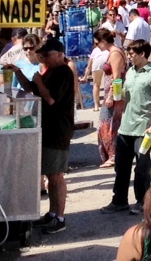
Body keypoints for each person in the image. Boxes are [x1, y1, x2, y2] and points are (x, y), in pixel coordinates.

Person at [15, 37, 76, 234]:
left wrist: (39, 80)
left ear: (59, 54)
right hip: (48, 129)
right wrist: (19, 73)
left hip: (58, 130)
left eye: (47, 55)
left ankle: (59, 217)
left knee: (56, 175)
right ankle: (52, 213)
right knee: (51, 173)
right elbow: (33, 90)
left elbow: (49, 99)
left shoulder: (63, 72)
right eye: (42, 55)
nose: (44, 59)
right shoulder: (51, 71)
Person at [107, 39, 151, 213]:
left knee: (142, 167)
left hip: (143, 128)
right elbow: (125, 95)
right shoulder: (131, 72)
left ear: (142, 54)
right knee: (121, 166)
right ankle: (119, 200)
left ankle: (142, 201)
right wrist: (116, 92)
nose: (129, 56)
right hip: (125, 127)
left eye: (132, 54)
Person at [91, 28, 128, 168]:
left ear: (103, 41)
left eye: (97, 43)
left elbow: (117, 76)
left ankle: (113, 155)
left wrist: (111, 96)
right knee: (107, 124)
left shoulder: (115, 54)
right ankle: (111, 154)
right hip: (110, 93)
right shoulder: (112, 52)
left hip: (114, 94)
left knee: (109, 124)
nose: (96, 46)